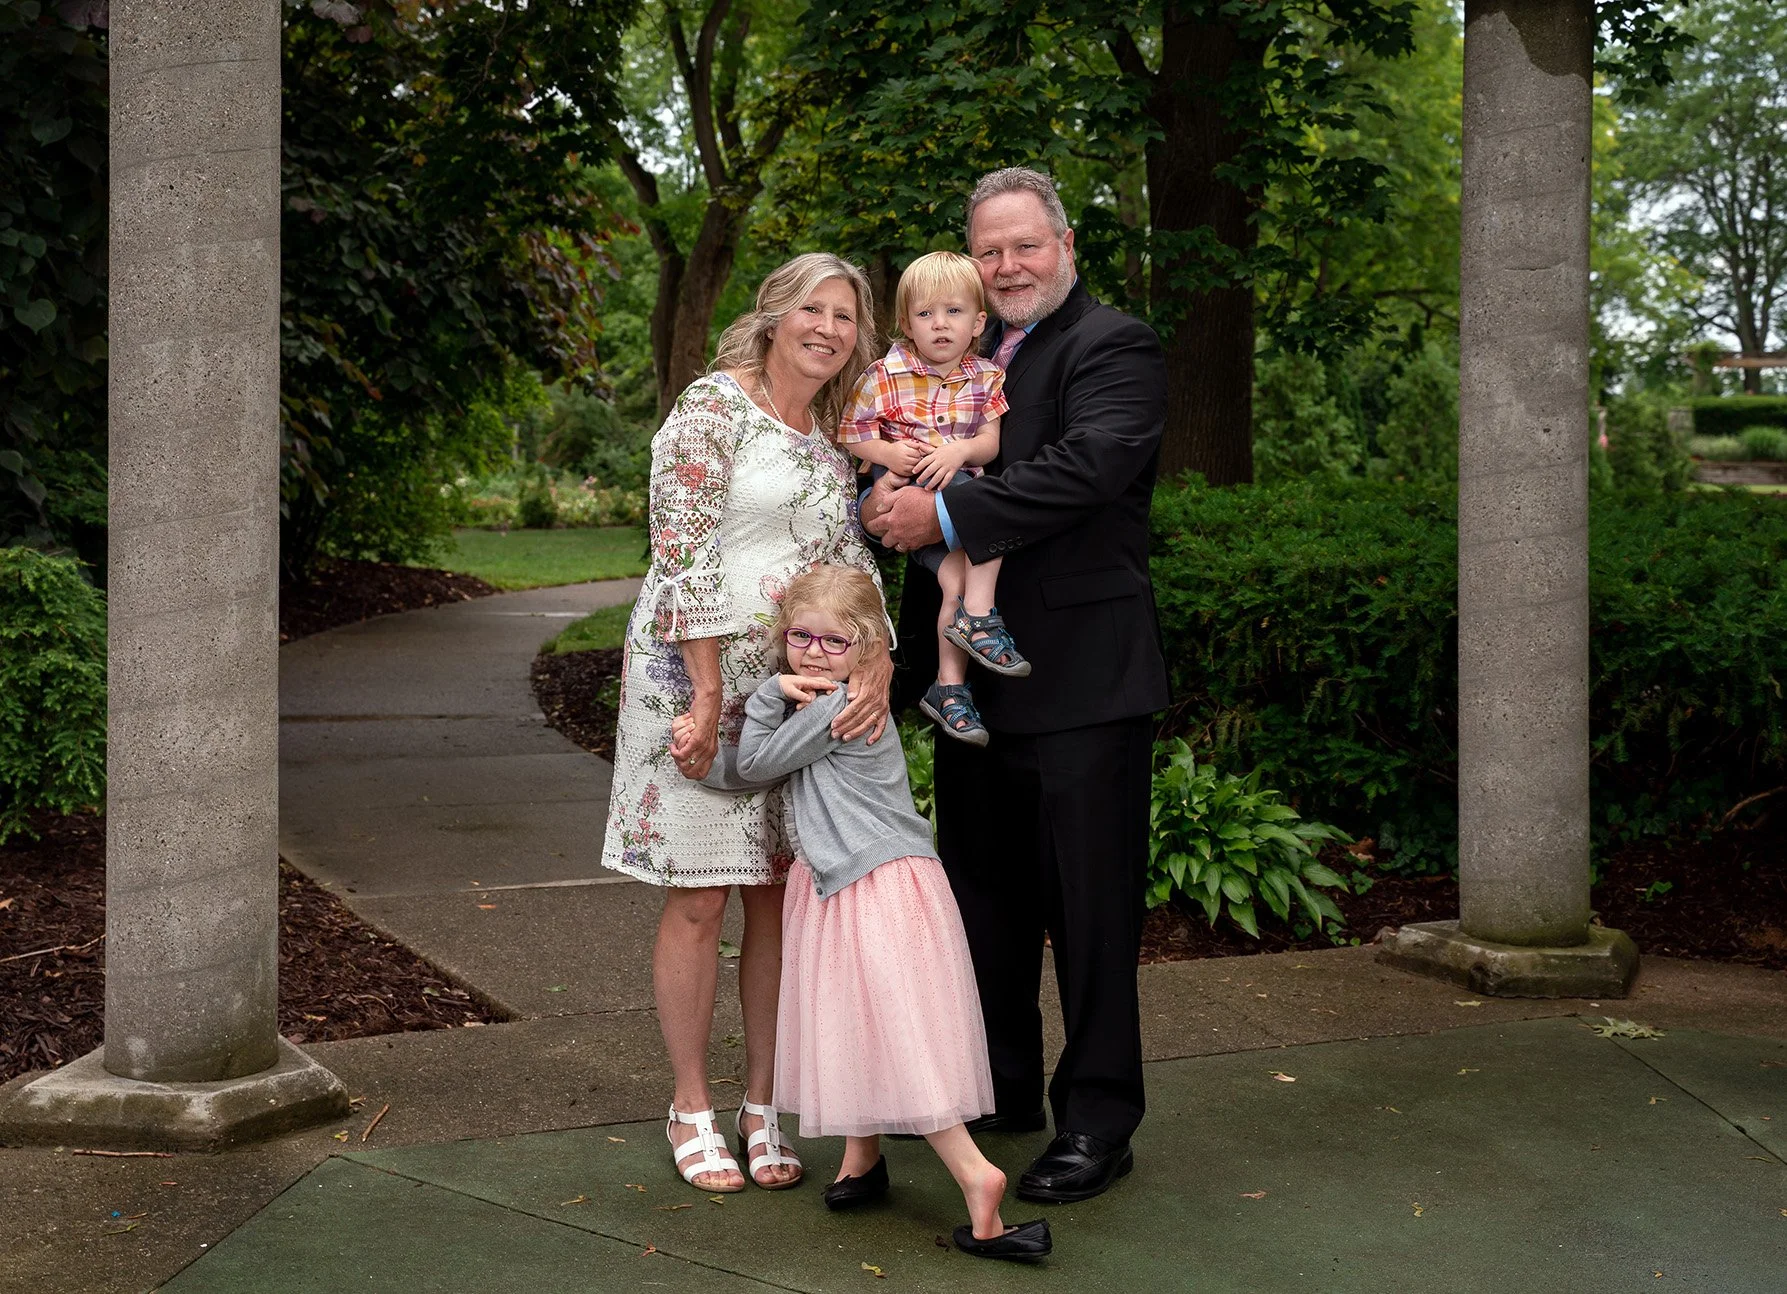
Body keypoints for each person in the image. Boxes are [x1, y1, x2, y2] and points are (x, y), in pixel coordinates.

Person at [864, 167, 1170, 1205]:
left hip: (1082, 678)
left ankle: (1097, 1118)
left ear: (1064, 242)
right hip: (971, 687)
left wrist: (941, 520)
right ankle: (998, 1088)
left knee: (1090, 912)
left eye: (1022, 246)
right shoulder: (959, 354)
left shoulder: (1112, 344)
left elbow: (1090, 466)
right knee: (982, 902)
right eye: (987, 251)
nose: (1004, 267)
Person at [601, 253, 895, 1195]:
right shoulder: (710, 410)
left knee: (777, 898)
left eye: (846, 316)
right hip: (691, 683)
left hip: (791, 695)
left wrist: (877, 661)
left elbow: (850, 567)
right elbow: (680, 555)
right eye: (812, 308)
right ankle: (691, 1106)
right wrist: (707, 700)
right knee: (699, 897)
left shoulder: (828, 436)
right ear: (773, 317)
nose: (828, 328)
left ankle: (763, 1105)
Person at [677, 564, 1051, 1261]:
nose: (814, 652)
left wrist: (752, 705)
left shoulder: (831, 708)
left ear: (870, 647)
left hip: (866, 885)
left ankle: (977, 1178)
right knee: (860, 1019)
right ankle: (861, 1157)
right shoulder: (829, 698)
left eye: (834, 642)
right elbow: (767, 766)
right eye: (800, 637)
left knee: (892, 1030)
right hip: (867, 878)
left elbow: (754, 765)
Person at [838, 251, 1024, 746]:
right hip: (910, 491)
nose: (940, 325)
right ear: (906, 323)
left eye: (954, 312)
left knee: (955, 582)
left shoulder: (986, 376)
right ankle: (981, 620)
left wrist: (961, 449)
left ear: (979, 321)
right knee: (992, 523)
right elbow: (853, 434)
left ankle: (948, 687)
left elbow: (989, 443)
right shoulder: (884, 374)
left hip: (957, 490)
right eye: (925, 314)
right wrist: (890, 454)